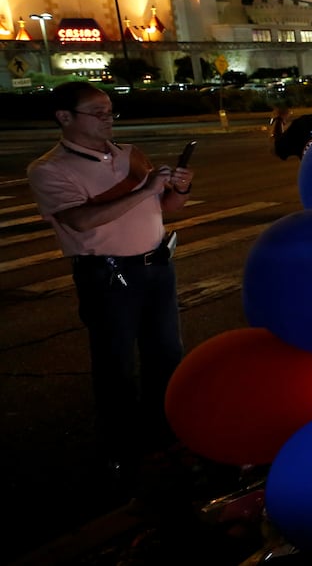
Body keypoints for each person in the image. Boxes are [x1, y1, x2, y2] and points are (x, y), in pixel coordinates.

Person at [27, 81, 195, 476]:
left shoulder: (131, 155)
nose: (108, 119)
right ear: (64, 117)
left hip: (157, 267)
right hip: (108, 275)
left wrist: (181, 190)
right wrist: (147, 188)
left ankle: (166, 433)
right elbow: (81, 220)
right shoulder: (49, 169)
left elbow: (166, 207)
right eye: (97, 112)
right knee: (116, 364)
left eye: (110, 111)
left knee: (166, 355)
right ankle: (123, 448)